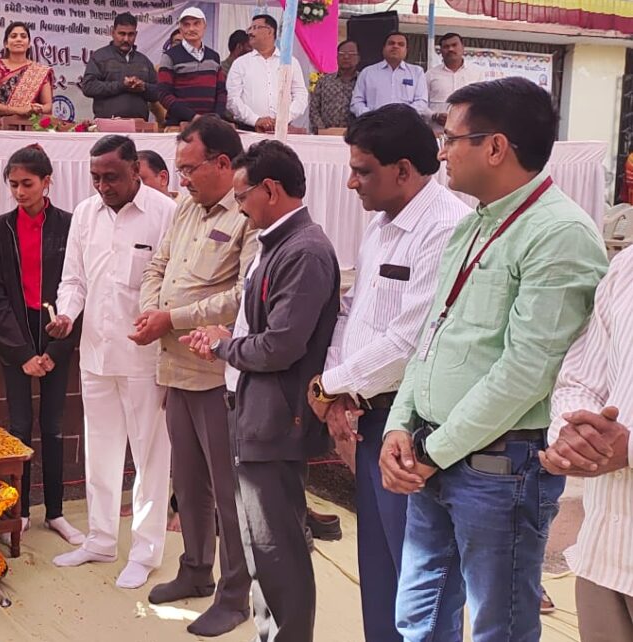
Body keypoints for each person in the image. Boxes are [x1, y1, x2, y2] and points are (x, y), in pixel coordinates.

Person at [380, 77, 608, 642]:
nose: (441, 153)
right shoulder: (472, 224)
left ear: (496, 147)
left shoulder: (559, 233)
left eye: (451, 139)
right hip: (435, 450)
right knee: (419, 617)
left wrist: (431, 451)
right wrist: (399, 425)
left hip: (499, 467)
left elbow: (526, 371)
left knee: (497, 628)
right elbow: (432, 335)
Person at [307, 105, 468, 642]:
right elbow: (352, 312)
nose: (351, 182)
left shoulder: (447, 227)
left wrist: (331, 386)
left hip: (414, 424)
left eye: (363, 170)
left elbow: (410, 341)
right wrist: (336, 389)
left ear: (403, 170)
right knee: (378, 569)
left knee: (421, 582)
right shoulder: (380, 224)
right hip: (369, 418)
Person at [185, 139, 340, 642]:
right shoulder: (277, 243)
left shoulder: (304, 250)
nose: (239, 207)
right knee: (260, 546)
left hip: (276, 416)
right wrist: (227, 340)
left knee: (278, 548)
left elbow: (280, 346)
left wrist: (225, 347)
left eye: (242, 195)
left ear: (270, 190)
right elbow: (261, 328)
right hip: (255, 408)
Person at [135, 117, 256, 637]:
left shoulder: (248, 212)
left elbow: (244, 296)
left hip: (216, 373)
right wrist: (151, 312)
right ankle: (195, 569)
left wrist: (173, 318)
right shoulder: (186, 206)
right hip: (174, 365)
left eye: (189, 169)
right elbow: (157, 266)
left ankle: (235, 595)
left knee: (229, 492)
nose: (180, 179)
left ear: (223, 164)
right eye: (179, 169)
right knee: (187, 482)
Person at [45, 135, 176, 590]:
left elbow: (173, 284)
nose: (103, 186)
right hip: (96, 353)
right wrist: (66, 315)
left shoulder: (165, 213)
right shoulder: (85, 214)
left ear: (136, 170)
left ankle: (145, 552)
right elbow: (74, 280)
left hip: (145, 357)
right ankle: (100, 540)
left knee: (150, 458)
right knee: (99, 451)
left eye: (112, 177)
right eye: (95, 177)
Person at [0, 144, 84, 545]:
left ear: (47, 182)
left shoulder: (70, 226)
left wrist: (55, 350)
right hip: (17, 334)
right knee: (19, 427)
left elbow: (79, 288)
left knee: (54, 426)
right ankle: (20, 511)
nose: (20, 192)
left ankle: (56, 512)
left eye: (27, 184)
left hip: (56, 328)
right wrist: (23, 354)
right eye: (13, 184)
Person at [543, 249, 633, 642]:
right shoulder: (626, 267)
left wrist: (627, 449)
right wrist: (576, 437)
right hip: (605, 553)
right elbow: (580, 380)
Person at [227, 14, 308, 133]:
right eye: (250, 28)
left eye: (255, 28)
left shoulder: (290, 62)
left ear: (270, 31)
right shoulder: (240, 63)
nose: (250, 33)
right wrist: (255, 120)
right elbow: (232, 98)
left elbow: (300, 95)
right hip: (248, 130)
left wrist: (284, 118)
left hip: (282, 130)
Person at [81, 12, 159, 121]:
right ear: (113, 33)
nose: (126, 39)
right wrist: (121, 85)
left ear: (136, 34)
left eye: (130, 34)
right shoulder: (99, 57)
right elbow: (88, 87)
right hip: (107, 125)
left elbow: (158, 93)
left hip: (139, 126)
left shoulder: (144, 61)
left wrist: (143, 87)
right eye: (122, 34)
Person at [156, 7, 226, 127]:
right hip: (178, 126)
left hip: (210, 126)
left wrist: (216, 118)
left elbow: (221, 92)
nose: (191, 29)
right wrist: (192, 117)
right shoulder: (169, 56)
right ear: (180, 29)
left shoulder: (214, 57)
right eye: (186, 25)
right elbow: (163, 94)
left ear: (204, 27)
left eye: (196, 24)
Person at [0, 22, 54, 129]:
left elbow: (48, 106)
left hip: (30, 128)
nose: (19, 39)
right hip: (0, 129)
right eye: (13, 36)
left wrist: (37, 108)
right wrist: (18, 110)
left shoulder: (39, 71)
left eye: (23, 36)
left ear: (29, 43)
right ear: (6, 44)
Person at [350, 33, 429, 118]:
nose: (395, 46)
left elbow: (421, 102)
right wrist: (371, 117)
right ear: (383, 48)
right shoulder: (367, 72)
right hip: (374, 123)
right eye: (391, 43)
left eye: (401, 44)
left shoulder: (417, 72)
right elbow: (356, 102)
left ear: (406, 50)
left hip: (406, 123)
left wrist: (402, 116)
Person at [425, 33, 485, 130]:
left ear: (463, 47)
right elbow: (421, 104)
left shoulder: (477, 73)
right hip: (437, 132)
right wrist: (434, 116)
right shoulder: (430, 75)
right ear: (441, 51)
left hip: (467, 131)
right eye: (446, 47)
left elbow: (482, 102)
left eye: (454, 45)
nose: (450, 49)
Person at [309, 40, 360, 134]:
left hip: (355, 135)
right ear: (336, 57)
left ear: (358, 58)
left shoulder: (363, 82)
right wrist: (322, 130)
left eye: (351, 53)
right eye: (342, 53)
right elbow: (314, 108)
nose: (346, 57)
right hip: (326, 136)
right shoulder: (324, 81)